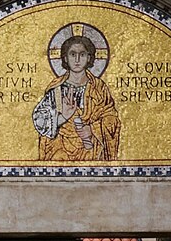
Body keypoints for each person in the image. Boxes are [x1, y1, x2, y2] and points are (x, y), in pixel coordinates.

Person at [31, 32, 121, 162]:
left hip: (91, 150)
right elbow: (40, 121)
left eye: (82, 54)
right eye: (73, 54)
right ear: (65, 58)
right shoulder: (56, 89)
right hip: (59, 150)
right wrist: (63, 117)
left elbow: (112, 119)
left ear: (89, 58)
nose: (77, 60)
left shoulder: (98, 88)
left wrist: (92, 129)